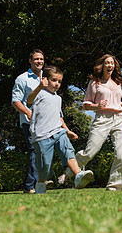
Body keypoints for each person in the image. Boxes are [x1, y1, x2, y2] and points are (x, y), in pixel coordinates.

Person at [60, 54, 122, 191]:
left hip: (119, 119)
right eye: (107, 63)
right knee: (90, 152)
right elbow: (85, 105)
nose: (110, 65)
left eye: (112, 63)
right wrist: (97, 106)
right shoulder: (95, 83)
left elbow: (116, 104)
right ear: (102, 66)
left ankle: (115, 186)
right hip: (102, 119)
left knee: (120, 154)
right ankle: (71, 170)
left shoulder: (118, 84)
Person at [27, 65, 94, 194]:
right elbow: (29, 100)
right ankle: (41, 183)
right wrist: (40, 86)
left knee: (68, 150)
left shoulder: (58, 98)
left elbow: (60, 117)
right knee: (44, 166)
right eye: (54, 80)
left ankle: (78, 174)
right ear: (45, 79)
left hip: (58, 131)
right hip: (42, 136)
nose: (57, 84)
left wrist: (67, 130)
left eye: (59, 81)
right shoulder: (39, 92)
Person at [11, 49, 43, 194]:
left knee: (42, 151)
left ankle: (37, 183)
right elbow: (15, 101)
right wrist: (27, 112)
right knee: (34, 150)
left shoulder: (47, 77)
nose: (39, 62)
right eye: (36, 59)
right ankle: (31, 185)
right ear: (30, 61)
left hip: (46, 121)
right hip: (29, 121)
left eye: (41, 59)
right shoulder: (22, 79)